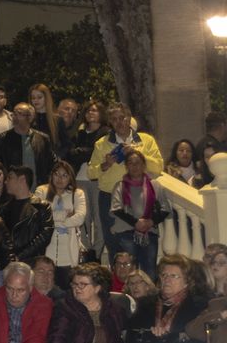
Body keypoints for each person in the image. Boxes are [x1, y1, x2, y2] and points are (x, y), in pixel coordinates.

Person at [90, 103, 162, 250]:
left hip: (140, 196)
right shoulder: (101, 144)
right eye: (114, 119)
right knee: (113, 243)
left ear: (129, 118)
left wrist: (138, 155)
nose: (119, 122)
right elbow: (91, 173)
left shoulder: (146, 140)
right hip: (109, 197)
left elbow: (159, 166)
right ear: (110, 122)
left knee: (142, 244)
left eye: (122, 118)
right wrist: (105, 165)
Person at [109, 150, 169, 277]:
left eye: (138, 163)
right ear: (126, 166)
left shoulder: (155, 185)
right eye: (130, 163)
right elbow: (116, 209)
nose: (134, 166)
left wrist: (150, 222)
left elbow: (165, 209)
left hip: (149, 233)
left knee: (150, 272)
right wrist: (136, 223)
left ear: (143, 165)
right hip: (126, 233)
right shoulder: (120, 186)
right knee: (127, 273)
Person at [34, 160, 87, 285]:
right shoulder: (41, 191)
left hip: (69, 250)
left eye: (64, 175)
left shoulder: (77, 194)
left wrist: (51, 220)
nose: (60, 179)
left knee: (66, 287)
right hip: (47, 249)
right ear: (51, 175)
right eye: (57, 174)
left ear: (70, 178)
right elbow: (38, 217)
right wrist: (65, 216)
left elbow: (80, 218)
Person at [0, 166, 54, 266]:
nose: (6, 182)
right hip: (7, 264)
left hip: (32, 264)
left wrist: (20, 256)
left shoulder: (41, 207)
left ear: (22, 179)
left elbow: (44, 236)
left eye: (10, 177)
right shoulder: (2, 209)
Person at [0, 104, 53, 188]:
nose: (13, 116)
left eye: (18, 113)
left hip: (38, 190)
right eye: (13, 113)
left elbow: (51, 164)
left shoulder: (42, 139)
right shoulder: (1, 139)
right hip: (11, 191)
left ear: (30, 117)